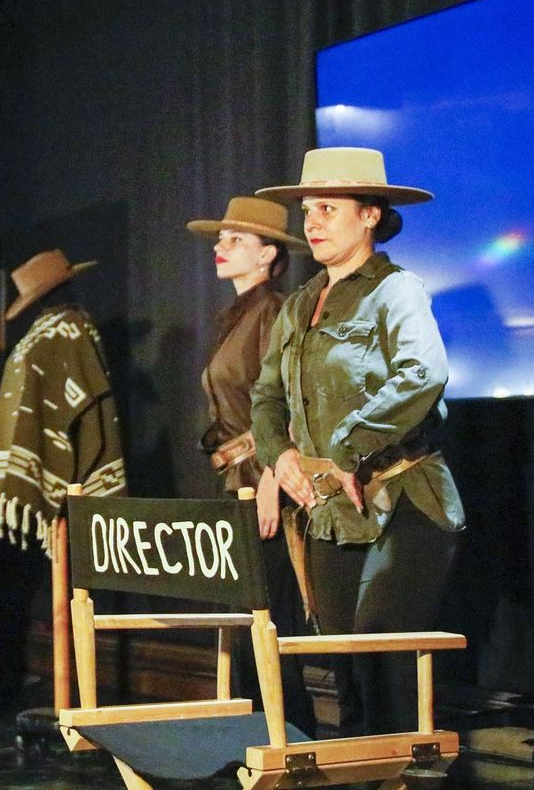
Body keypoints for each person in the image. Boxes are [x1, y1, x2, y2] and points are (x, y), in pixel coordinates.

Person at [250, 147, 464, 737]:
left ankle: (411, 777)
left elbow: (423, 372)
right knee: (344, 674)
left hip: (404, 503)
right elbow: (266, 399)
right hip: (331, 514)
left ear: (370, 215)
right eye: (307, 210)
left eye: (326, 208)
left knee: (384, 660)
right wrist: (281, 457)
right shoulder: (296, 307)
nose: (311, 222)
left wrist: (347, 448)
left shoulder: (396, 290)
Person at [185, 196, 317, 736]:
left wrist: (269, 477)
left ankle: (291, 747)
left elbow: (286, 398)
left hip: (261, 481)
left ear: (268, 255)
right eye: (222, 238)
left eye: (235, 239)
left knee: (269, 626)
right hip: (231, 480)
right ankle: (251, 747)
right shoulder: (237, 316)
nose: (221, 246)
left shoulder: (273, 312)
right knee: (245, 626)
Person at [0, 249, 126, 552]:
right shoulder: (47, 331)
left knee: (79, 566)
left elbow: (87, 400)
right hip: (51, 447)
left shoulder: (67, 329)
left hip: (70, 447)